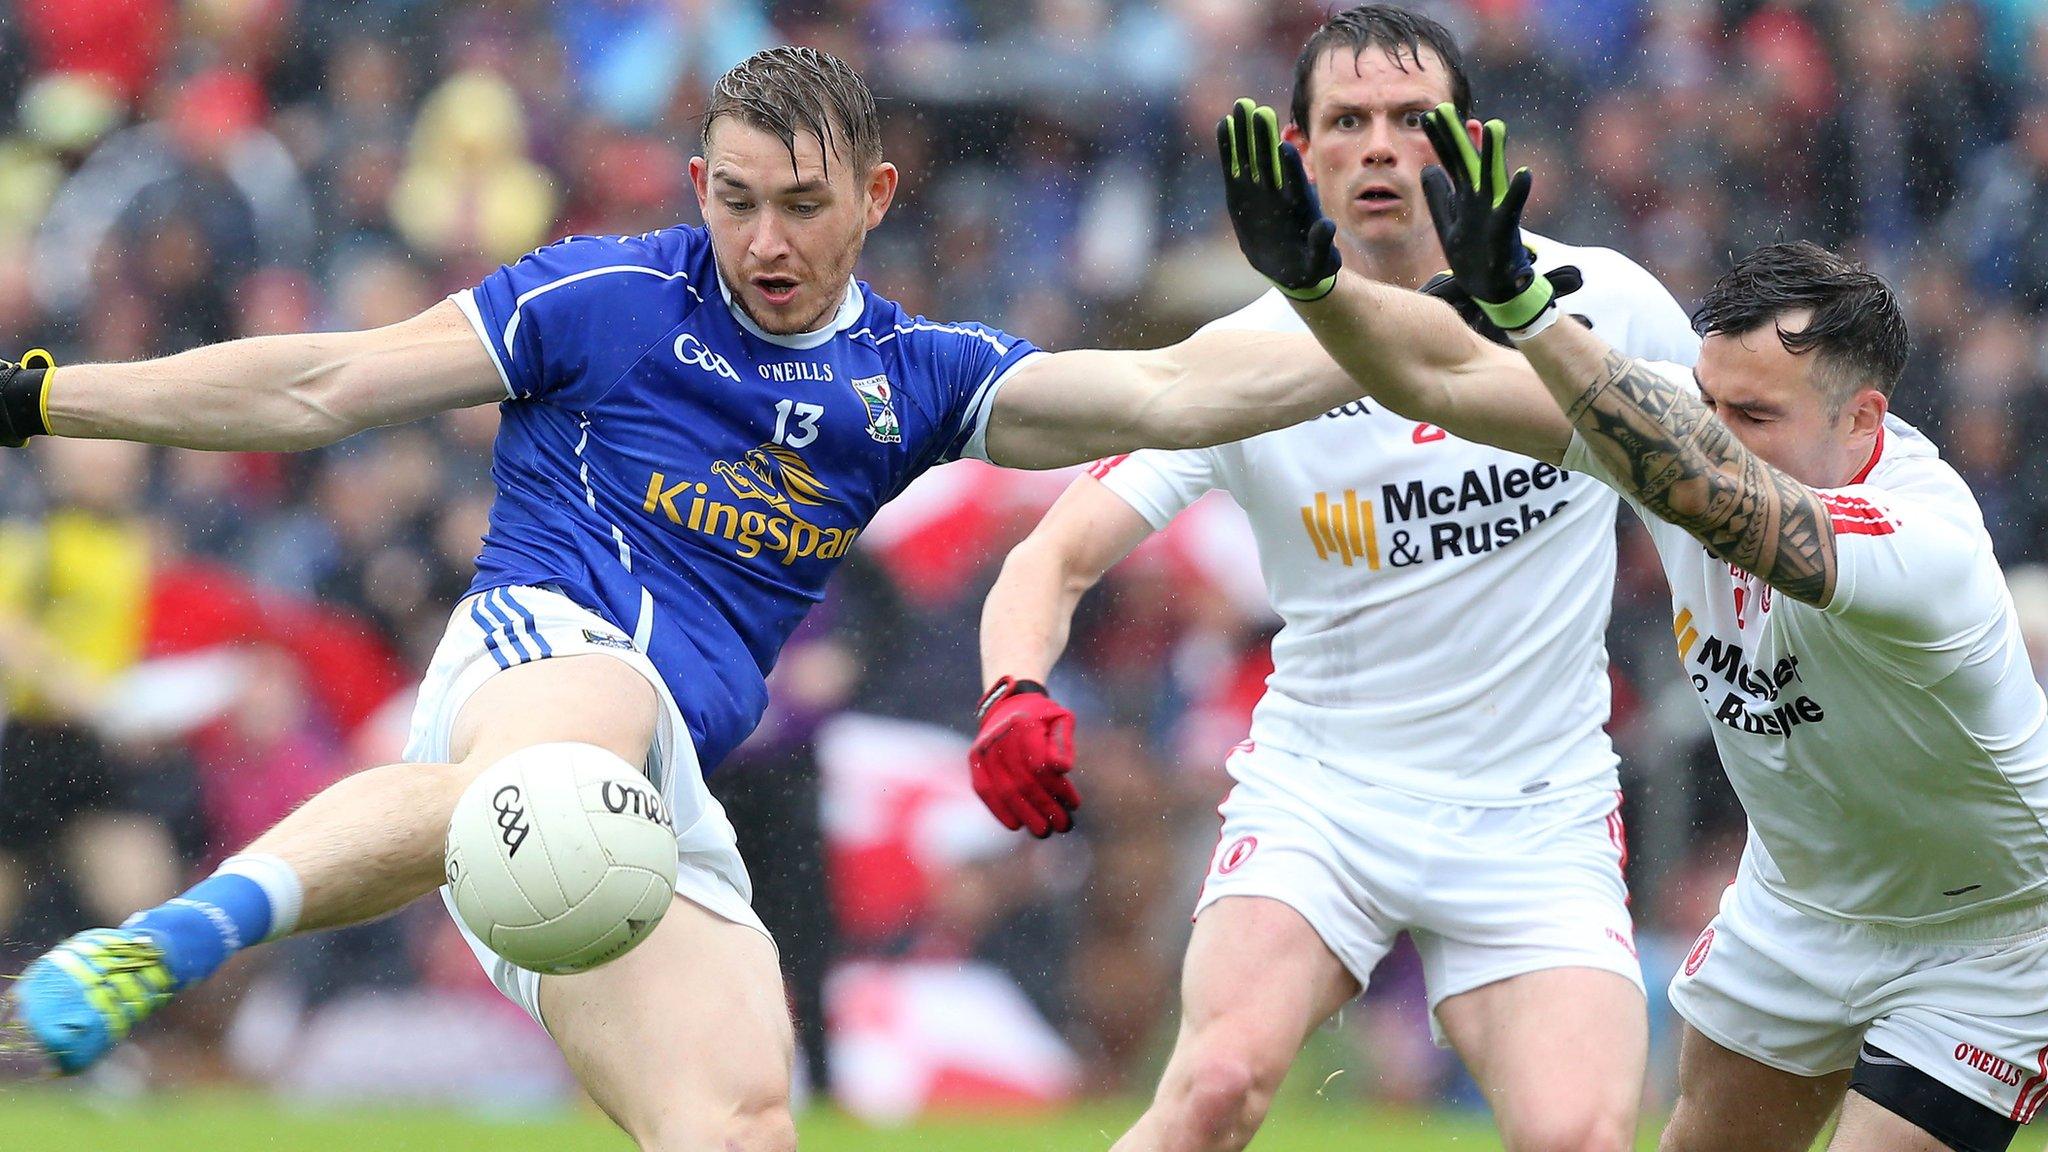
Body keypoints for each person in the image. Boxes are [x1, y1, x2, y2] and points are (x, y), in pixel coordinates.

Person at [0, 46, 1383, 1152]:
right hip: (544, 649)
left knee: (740, 1123)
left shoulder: (916, 375)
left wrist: (1345, 296)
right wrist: (48, 396)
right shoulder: (597, 295)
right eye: (734, 199)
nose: (763, 240)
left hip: (652, 810)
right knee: (567, 738)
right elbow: (323, 385)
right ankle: (168, 942)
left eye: (801, 204)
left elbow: (1174, 392)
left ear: (880, 196)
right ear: (696, 183)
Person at [1218, 89, 2048, 1152]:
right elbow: (1432, 374)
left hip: (1984, 936)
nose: (1719, 433)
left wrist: (1527, 316)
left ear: (1861, 418)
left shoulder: (1918, 541)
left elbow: (1714, 498)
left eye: (1754, 417)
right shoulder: (1685, 417)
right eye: (1708, 402)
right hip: (1797, 907)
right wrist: (1315, 284)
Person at [969, 9, 1696, 1151]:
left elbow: (1723, 488)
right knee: (1209, 1089)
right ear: (1297, 156)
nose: (1378, 147)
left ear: (1468, 143)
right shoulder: (1248, 353)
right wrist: (1010, 687)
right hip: (1325, 800)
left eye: (1413, 121)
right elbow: (1048, 555)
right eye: (1345, 121)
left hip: (1534, 815)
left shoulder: (1605, 303)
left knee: (1582, 1140)